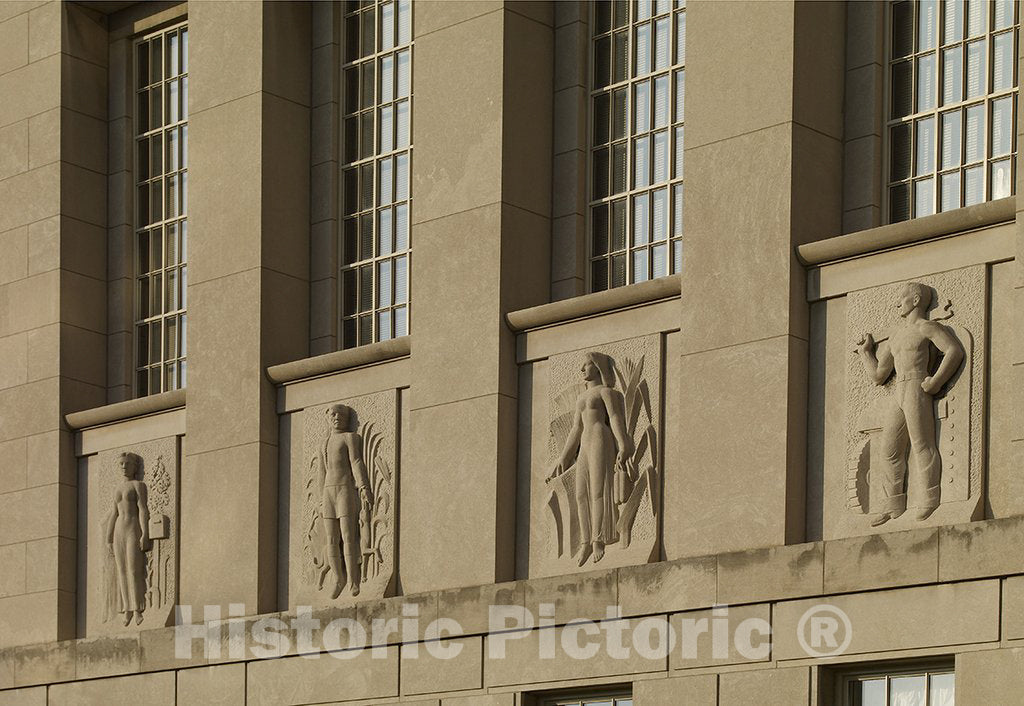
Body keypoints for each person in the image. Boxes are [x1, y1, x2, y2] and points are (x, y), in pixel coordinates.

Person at [856, 282, 964, 526]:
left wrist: (936, 381)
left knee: (922, 445)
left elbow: (954, 351)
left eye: (901, 298)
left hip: (917, 386)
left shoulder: (928, 327)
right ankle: (892, 504)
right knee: (889, 450)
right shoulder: (896, 336)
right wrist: (865, 353)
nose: (897, 303)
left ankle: (928, 499)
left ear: (915, 300)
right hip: (899, 391)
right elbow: (878, 376)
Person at [548, 352, 634, 565]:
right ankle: (585, 542)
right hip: (585, 442)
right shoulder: (581, 398)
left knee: (597, 491)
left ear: (597, 367)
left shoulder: (606, 392)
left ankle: (598, 540)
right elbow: (576, 429)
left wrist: (623, 444)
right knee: (580, 494)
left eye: (586, 365)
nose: (582, 370)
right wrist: (563, 458)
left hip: (600, 439)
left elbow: (614, 418)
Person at [319, 404, 372, 598]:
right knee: (331, 538)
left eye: (341, 415)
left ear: (347, 418)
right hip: (328, 492)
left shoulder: (350, 438)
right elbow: (321, 473)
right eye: (333, 414)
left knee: (348, 535)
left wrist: (364, 487)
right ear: (328, 417)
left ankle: (352, 580)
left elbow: (356, 462)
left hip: (344, 490)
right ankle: (338, 578)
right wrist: (319, 498)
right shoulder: (324, 443)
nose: (336, 417)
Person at [104, 452, 150, 626]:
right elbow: (113, 514)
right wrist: (108, 539)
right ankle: (127, 610)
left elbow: (143, 509)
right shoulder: (117, 489)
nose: (124, 467)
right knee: (121, 570)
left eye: (127, 464)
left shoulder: (138, 485)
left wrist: (145, 533)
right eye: (121, 464)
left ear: (134, 466)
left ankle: (137, 609)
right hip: (118, 531)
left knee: (133, 569)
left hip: (133, 529)